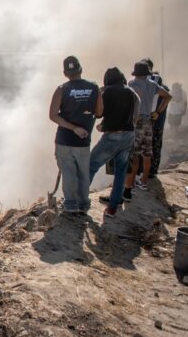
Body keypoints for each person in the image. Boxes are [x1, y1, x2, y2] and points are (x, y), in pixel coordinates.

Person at [49, 55, 103, 214]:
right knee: (83, 172)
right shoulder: (94, 87)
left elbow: (53, 115)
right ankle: (83, 204)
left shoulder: (61, 89)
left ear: (65, 73)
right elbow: (99, 112)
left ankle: (71, 205)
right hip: (83, 140)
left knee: (68, 172)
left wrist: (72, 128)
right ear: (81, 70)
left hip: (64, 140)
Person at [88, 67, 139, 218]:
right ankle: (112, 207)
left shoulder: (108, 91)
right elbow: (134, 113)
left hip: (112, 137)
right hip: (128, 136)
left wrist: (99, 97)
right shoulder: (130, 91)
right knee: (121, 172)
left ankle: (80, 200)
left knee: (90, 165)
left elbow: (99, 113)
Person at [124, 61, 172, 199]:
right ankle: (143, 182)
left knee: (134, 154)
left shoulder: (131, 84)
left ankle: (131, 184)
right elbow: (168, 96)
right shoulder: (153, 84)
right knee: (147, 153)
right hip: (149, 121)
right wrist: (157, 112)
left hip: (137, 121)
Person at [142, 59, 170, 177]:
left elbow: (167, 98)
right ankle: (151, 172)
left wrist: (157, 112)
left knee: (149, 147)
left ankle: (148, 173)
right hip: (154, 121)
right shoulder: (158, 86)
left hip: (153, 121)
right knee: (154, 146)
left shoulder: (154, 85)